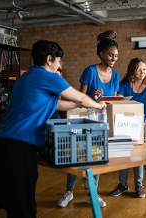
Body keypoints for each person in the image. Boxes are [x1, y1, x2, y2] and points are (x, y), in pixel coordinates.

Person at [0, 40, 106, 218]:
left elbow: (59, 104)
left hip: (5, 142)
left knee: (14, 202)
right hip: (19, 144)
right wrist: (98, 106)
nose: (59, 65)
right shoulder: (47, 76)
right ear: (49, 59)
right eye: (59, 61)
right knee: (23, 206)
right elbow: (80, 98)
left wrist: (86, 104)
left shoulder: (28, 77)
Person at [58, 30, 120, 208]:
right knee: (77, 154)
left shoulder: (115, 75)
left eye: (116, 56)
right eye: (110, 55)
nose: (113, 58)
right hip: (85, 119)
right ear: (102, 53)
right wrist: (93, 96)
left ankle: (92, 193)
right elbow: (80, 97)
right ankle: (68, 191)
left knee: (97, 156)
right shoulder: (90, 71)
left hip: (102, 120)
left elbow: (113, 99)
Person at [111, 57, 146, 198]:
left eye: (144, 69)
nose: (142, 72)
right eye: (139, 69)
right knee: (124, 154)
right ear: (132, 69)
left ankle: (138, 185)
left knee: (138, 156)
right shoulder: (124, 84)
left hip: (142, 125)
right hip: (124, 124)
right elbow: (119, 101)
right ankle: (123, 184)